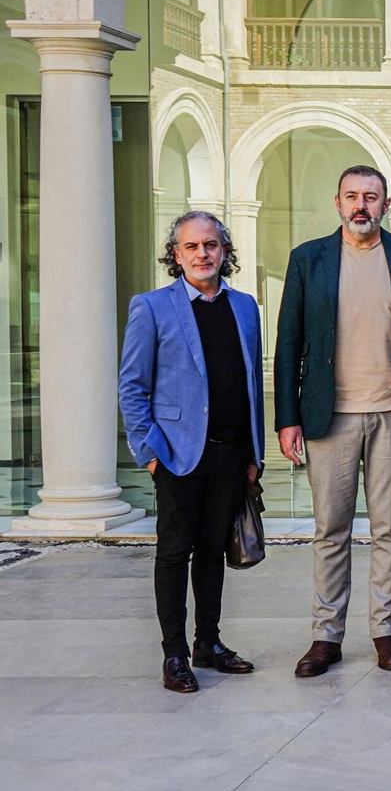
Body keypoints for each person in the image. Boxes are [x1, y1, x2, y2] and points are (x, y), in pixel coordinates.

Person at [276, 165, 391, 677]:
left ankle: (387, 632)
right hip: (329, 416)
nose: (361, 205)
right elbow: (288, 341)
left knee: (390, 528)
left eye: (371, 196)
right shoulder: (308, 259)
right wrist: (287, 417)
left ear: (386, 205)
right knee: (330, 530)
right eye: (352, 196)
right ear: (338, 203)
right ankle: (326, 636)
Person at [118, 211, 263, 693]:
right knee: (174, 552)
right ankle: (175, 654)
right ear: (176, 255)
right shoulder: (152, 307)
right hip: (177, 454)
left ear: (224, 251)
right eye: (192, 246)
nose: (203, 254)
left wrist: (254, 453)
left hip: (231, 452)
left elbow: (251, 381)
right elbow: (132, 386)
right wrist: (149, 453)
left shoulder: (245, 307)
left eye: (211, 245)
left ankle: (208, 643)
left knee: (213, 550)